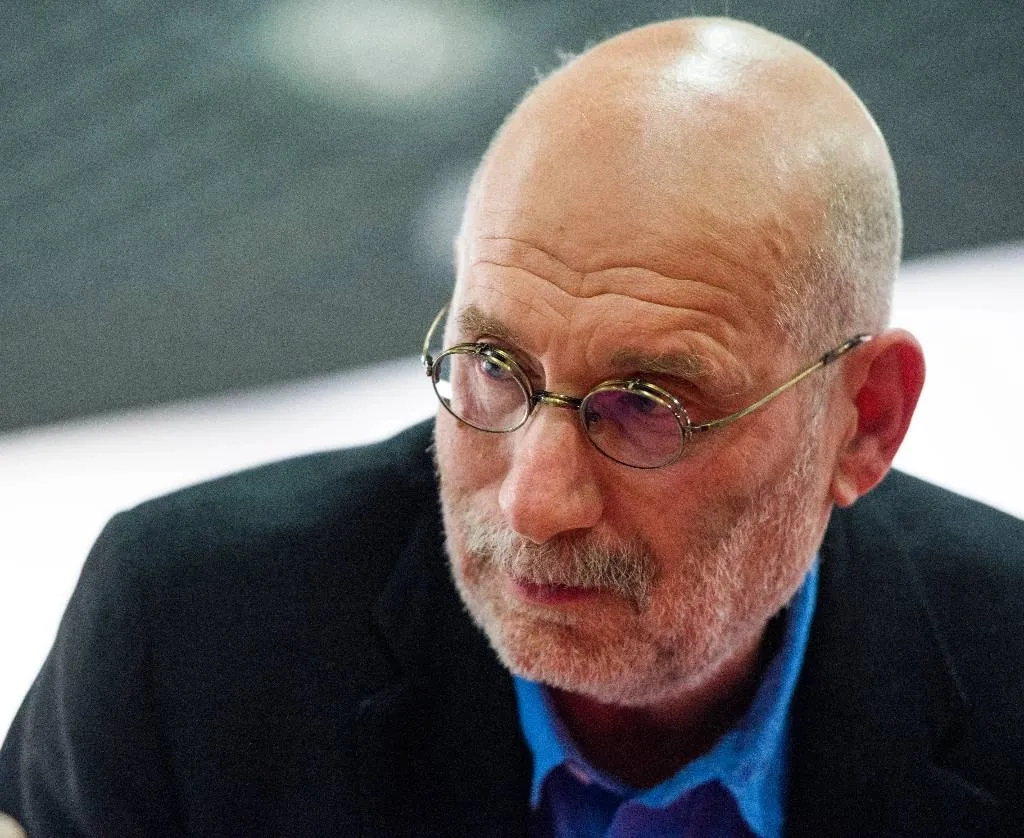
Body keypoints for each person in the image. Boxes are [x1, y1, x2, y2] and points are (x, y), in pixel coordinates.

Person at [1, 16, 1022, 837]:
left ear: (864, 422)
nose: (534, 503)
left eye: (647, 405)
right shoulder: (192, 637)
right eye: (493, 368)